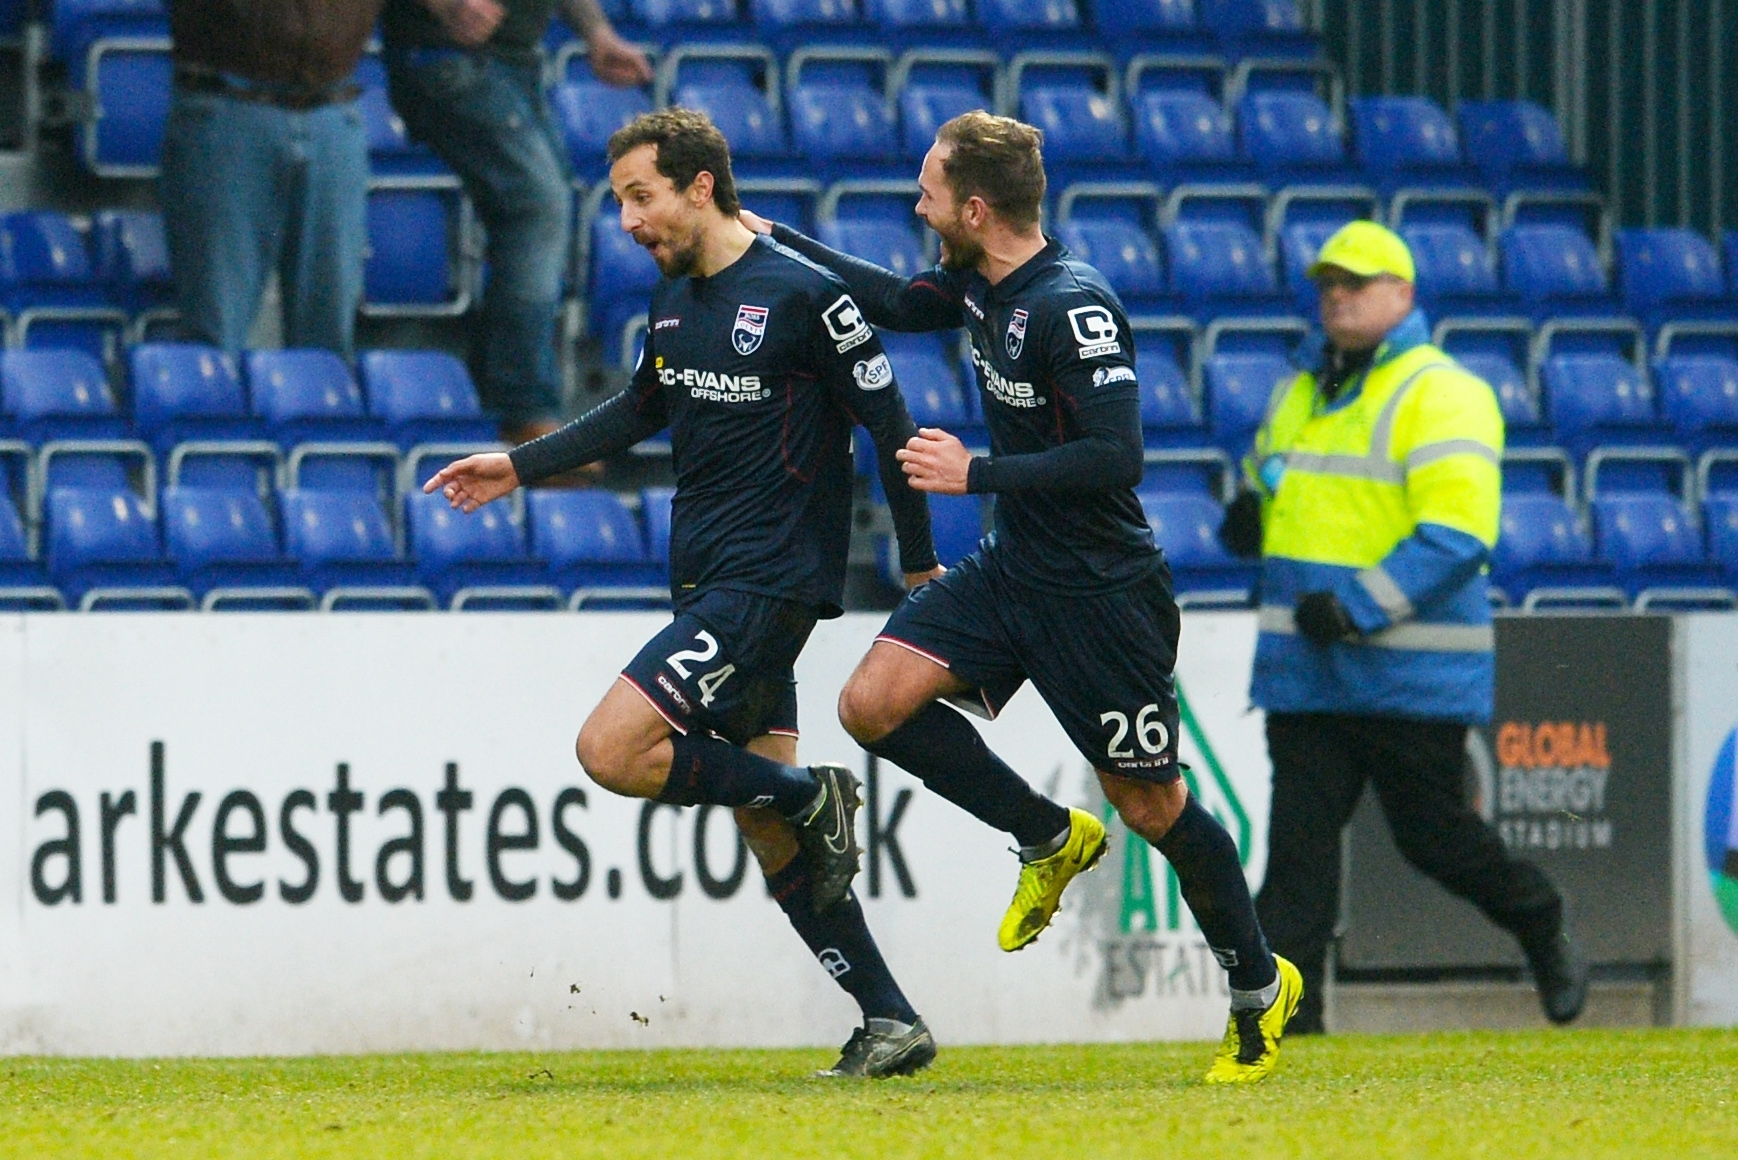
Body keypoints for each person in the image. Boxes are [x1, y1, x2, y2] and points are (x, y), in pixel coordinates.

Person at [742, 111, 1303, 1083]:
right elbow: (896, 301)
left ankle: (1258, 988)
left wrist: (977, 473)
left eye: (927, 192)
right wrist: (775, 241)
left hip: (1099, 591)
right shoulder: (973, 281)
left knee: (1153, 804)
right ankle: (1046, 832)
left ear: (972, 205)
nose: (915, 206)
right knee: (870, 702)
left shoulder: (1071, 305)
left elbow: (1115, 455)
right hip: (1013, 572)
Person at [425, 109, 942, 1078]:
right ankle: (890, 1015)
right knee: (765, 826)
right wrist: (517, 464)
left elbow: (891, 427)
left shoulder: (807, 298)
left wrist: (917, 567)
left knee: (611, 747)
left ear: (699, 186)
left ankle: (811, 791)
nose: (625, 219)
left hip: (767, 582)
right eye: (620, 199)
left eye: (639, 196)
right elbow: (637, 409)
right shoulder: (673, 305)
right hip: (708, 580)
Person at [1217, 220, 1589, 1034]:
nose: (1336, 296)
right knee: (1297, 864)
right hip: (1308, 675)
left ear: (1404, 295)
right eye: (1327, 284)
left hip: (1405, 672)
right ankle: (1284, 1030)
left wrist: (1355, 607)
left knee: (1434, 840)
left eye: (1355, 282)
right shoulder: (1298, 394)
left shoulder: (1445, 391)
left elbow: (1458, 538)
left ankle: (1538, 915)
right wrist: (1248, 513)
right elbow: (1270, 480)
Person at [383, 0, 653, 443]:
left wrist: (597, 33)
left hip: (513, 65)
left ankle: (498, 401)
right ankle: (522, 409)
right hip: (447, 57)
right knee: (539, 206)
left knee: (548, 207)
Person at [161, 0, 380, 360]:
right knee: (215, 326)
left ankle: (324, 409)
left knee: (330, 331)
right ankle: (213, 410)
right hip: (228, 101)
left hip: (330, 105)